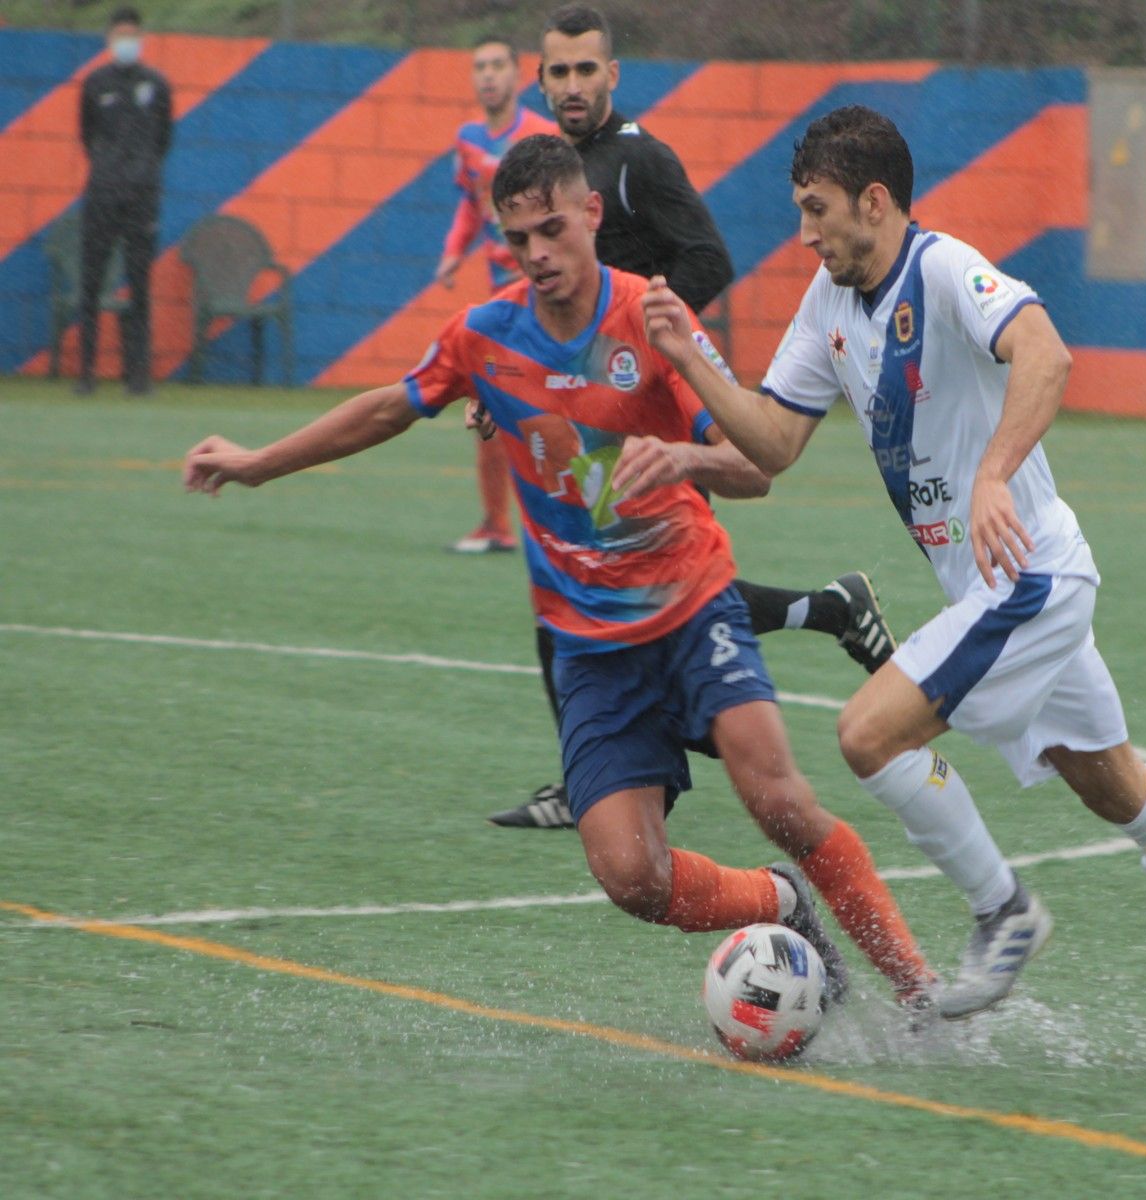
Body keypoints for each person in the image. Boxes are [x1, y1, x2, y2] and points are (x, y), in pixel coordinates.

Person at [182, 133, 937, 1014]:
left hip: (694, 606)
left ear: (591, 215)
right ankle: (780, 904)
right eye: (517, 239)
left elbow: (754, 466)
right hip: (588, 646)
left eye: (551, 230)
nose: (537, 254)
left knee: (778, 797)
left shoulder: (654, 321)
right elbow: (390, 407)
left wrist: (681, 459)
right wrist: (257, 461)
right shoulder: (484, 337)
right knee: (632, 878)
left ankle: (920, 994)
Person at [643, 105, 1146, 1054]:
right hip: (994, 591)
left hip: (1029, 576)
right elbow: (770, 451)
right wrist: (687, 394)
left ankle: (1004, 912)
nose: (804, 232)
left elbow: (1046, 352)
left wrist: (992, 474)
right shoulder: (829, 304)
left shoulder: (945, 269)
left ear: (874, 202)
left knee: (866, 733)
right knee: (1116, 786)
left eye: (817, 208)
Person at [486, 4, 896, 832]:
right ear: (542, 80)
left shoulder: (637, 159)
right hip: (591, 413)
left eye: (585, 70)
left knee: (620, 590)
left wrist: (627, 358)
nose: (572, 85)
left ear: (613, 75)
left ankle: (602, 774)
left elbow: (708, 255)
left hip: (647, 406)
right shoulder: (555, 173)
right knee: (610, 585)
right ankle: (829, 611)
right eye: (558, 72)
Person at [436, 34, 552, 556]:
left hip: (543, 290)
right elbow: (469, 200)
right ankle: (496, 524)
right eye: (478, 66)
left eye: (496, 65)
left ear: (517, 72)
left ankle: (553, 524)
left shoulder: (544, 136)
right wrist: (453, 251)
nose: (487, 75)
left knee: (534, 402)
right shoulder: (468, 139)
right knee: (489, 399)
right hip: (501, 291)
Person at [77, 6, 171, 396]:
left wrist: (141, 173)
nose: (127, 42)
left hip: (141, 199)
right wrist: (109, 169)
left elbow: (163, 139)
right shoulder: (95, 84)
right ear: (110, 39)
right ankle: (85, 373)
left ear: (141, 38)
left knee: (139, 285)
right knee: (92, 283)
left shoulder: (156, 84)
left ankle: (137, 376)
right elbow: (87, 135)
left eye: (133, 34)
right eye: (121, 35)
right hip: (102, 196)